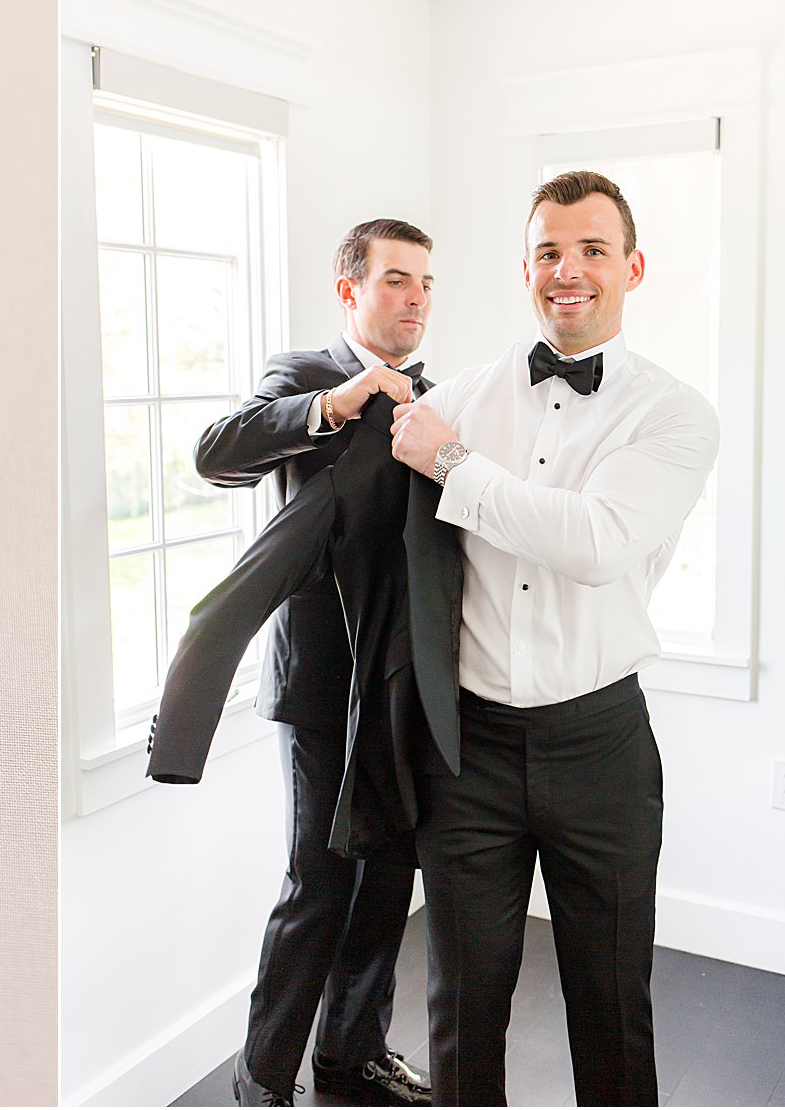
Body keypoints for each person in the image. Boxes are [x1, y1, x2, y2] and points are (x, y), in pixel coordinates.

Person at [389, 171, 719, 1106]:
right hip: (471, 753)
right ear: (524, 268)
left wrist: (451, 462)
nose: (567, 270)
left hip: (600, 744)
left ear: (633, 266)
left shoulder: (675, 413)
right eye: (547, 251)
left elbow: (595, 542)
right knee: (461, 1007)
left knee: (611, 1005)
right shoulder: (457, 394)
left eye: (592, 250)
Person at [191, 219, 437, 1107]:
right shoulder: (302, 375)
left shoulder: (435, 397)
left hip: (404, 681)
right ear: (351, 290)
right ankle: (262, 1079)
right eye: (398, 280)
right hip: (323, 686)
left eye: (426, 284)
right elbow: (216, 453)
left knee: (388, 875)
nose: (416, 298)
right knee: (321, 878)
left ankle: (350, 1053)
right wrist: (335, 404)